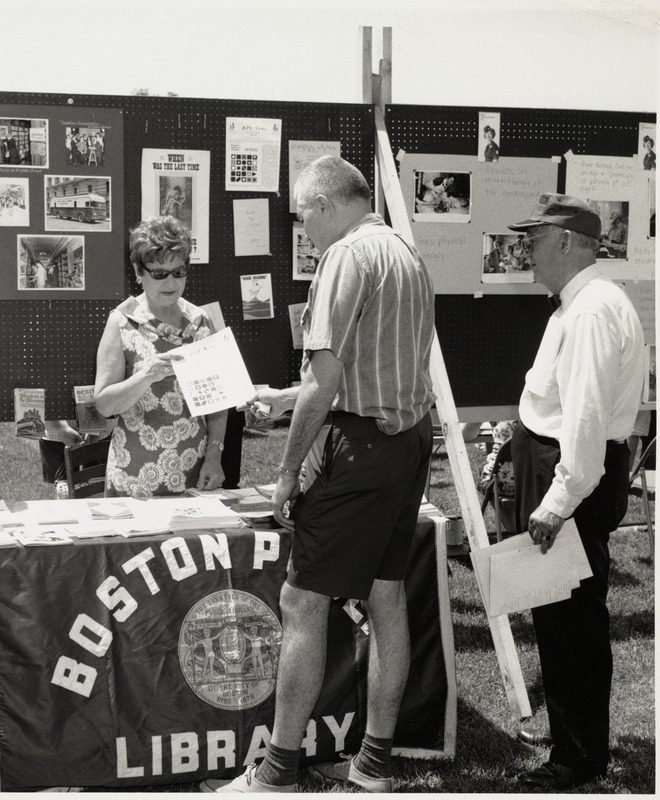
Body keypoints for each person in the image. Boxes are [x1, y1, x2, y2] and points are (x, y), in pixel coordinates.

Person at [205, 155, 434, 793]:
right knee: (386, 596)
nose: (303, 228)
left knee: (302, 600)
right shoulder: (403, 252)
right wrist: (288, 397)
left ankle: (274, 774)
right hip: (407, 441)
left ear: (328, 205)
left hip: (361, 450)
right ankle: (374, 765)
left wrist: (284, 473)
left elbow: (327, 378)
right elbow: (365, 370)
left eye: (303, 215)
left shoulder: (345, 257)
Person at [506, 193, 644, 789]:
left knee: (571, 628)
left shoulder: (588, 311)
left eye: (534, 240)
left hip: (574, 482)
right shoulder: (584, 302)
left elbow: (584, 423)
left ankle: (577, 759)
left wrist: (557, 504)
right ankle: (575, 743)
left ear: (565, 241)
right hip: (576, 474)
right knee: (565, 623)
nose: (526, 252)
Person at [93, 215, 227, 497]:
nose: (171, 282)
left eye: (179, 272)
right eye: (160, 273)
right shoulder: (122, 321)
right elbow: (104, 404)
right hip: (135, 475)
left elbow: (218, 401)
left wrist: (214, 456)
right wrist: (147, 375)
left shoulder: (201, 321)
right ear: (138, 272)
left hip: (194, 469)